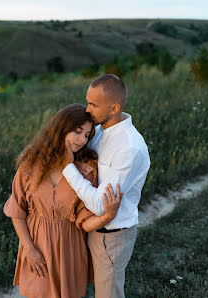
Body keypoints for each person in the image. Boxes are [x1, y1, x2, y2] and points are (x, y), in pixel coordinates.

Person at [3, 104, 123, 298]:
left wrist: (107, 215)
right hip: (36, 246)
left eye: (87, 135)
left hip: (70, 250)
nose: (82, 140)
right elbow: (17, 211)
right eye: (77, 131)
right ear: (60, 128)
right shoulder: (30, 162)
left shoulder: (86, 170)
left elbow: (84, 223)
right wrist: (30, 249)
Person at [62, 74, 151, 298]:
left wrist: (67, 167)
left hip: (111, 236)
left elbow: (102, 205)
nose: (87, 109)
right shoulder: (100, 131)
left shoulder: (128, 148)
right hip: (92, 228)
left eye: (93, 104)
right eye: (87, 101)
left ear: (114, 107)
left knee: (107, 294)